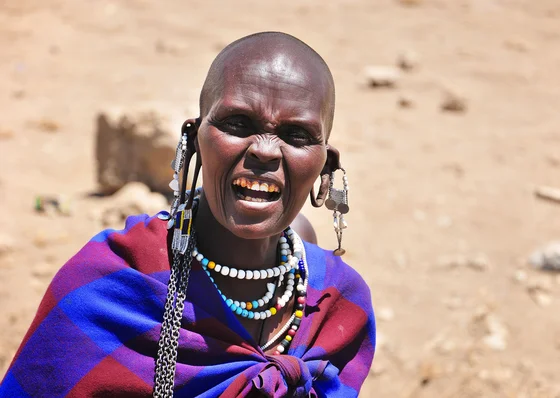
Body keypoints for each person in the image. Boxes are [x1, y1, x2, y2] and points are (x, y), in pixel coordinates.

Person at [0, 32, 376, 397]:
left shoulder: (335, 301)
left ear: (327, 166)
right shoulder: (108, 291)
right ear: (194, 140)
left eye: (296, 135)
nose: (265, 151)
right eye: (237, 124)